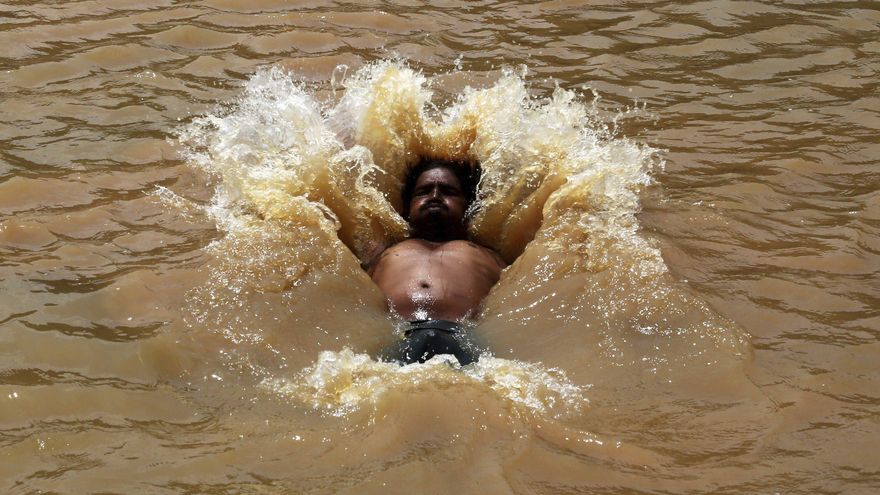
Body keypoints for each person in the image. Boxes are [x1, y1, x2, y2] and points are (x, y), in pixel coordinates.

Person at [366, 158, 506, 366]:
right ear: (407, 208)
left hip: (461, 338)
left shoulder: (491, 256)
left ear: (468, 207)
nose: (435, 196)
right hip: (397, 338)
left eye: (448, 191)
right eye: (424, 191)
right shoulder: (380, 253)